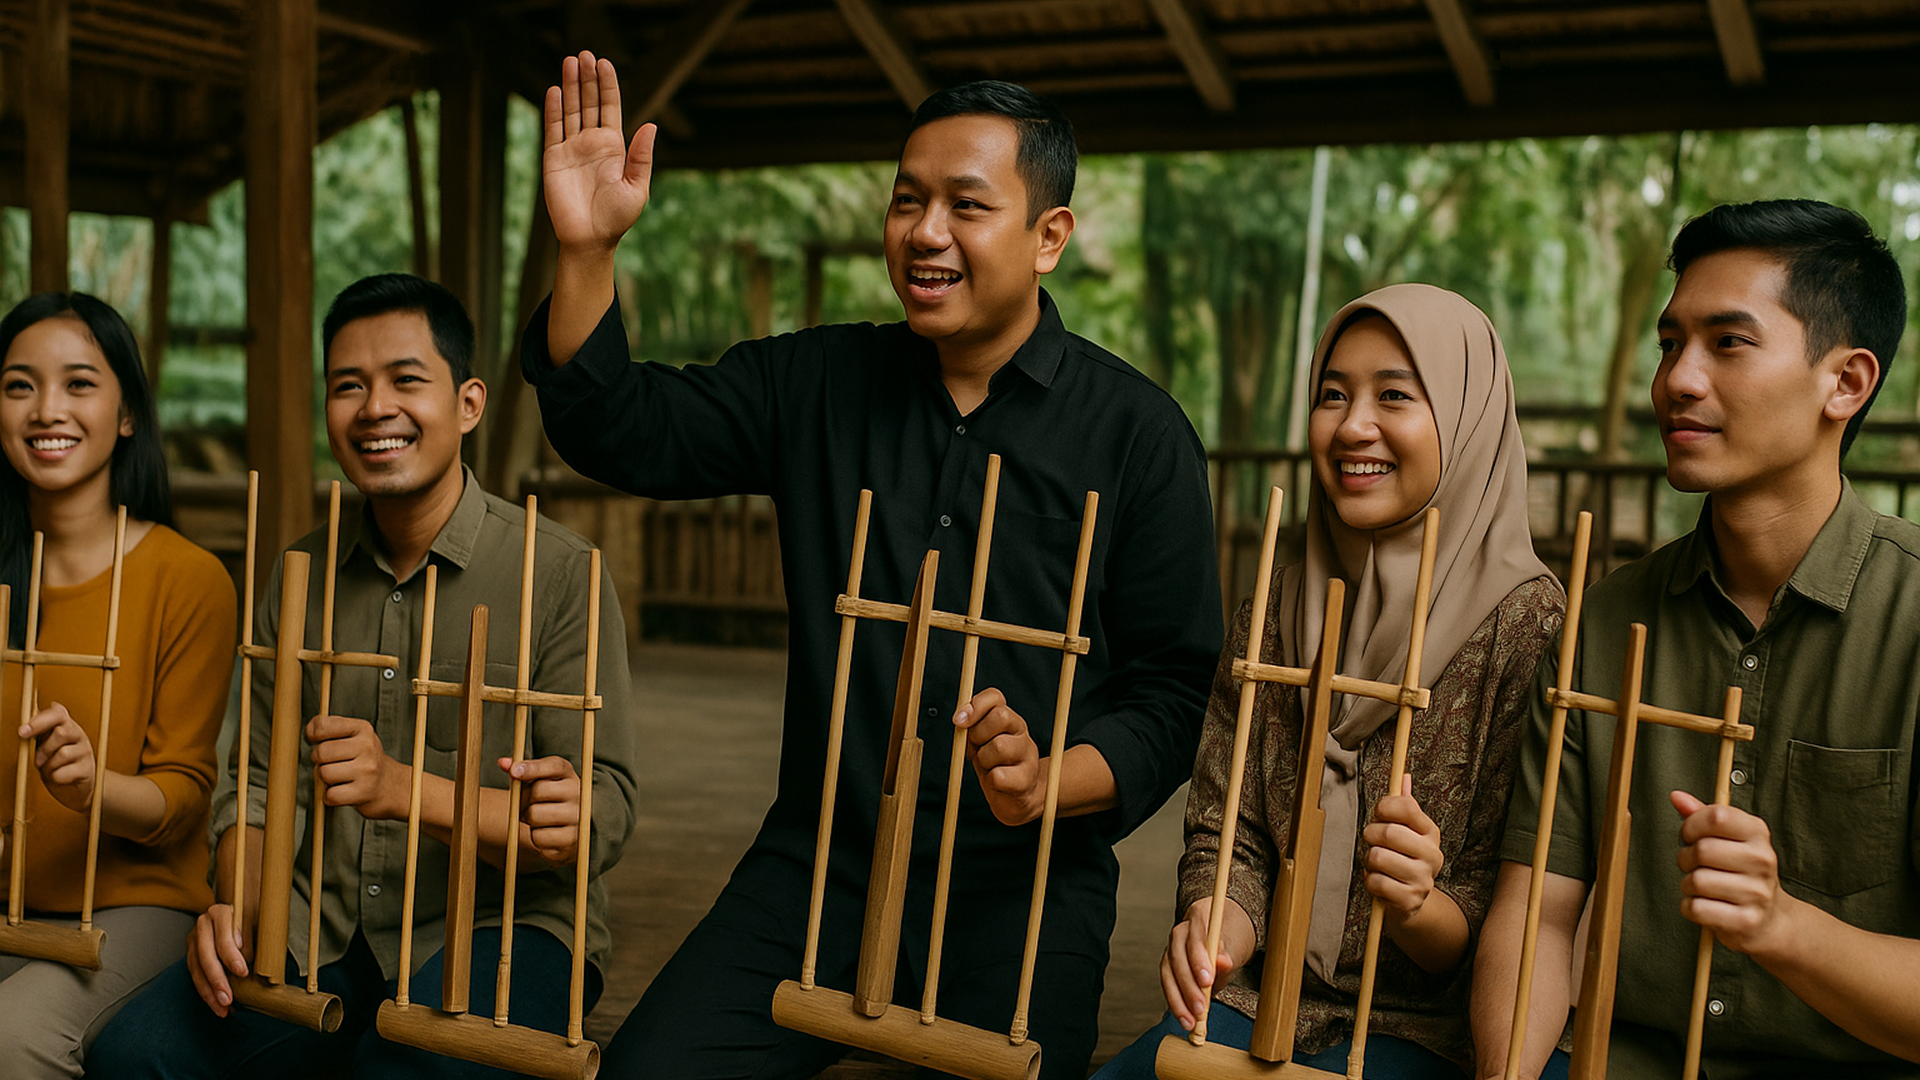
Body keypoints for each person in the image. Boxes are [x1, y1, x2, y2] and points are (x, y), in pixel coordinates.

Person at [524, 52, 1221, 1079]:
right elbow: (620, 429)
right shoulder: (819, 380)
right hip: (823, 861)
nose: (925, 232)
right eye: (908, 200)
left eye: (966, 205)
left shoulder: (1139, 434)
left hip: (1021, 888)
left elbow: (1171, 693)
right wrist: (586, 251)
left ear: (1049, 238)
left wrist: (1043, 785)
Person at [87, 273, 639, 1079]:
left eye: (406, 380)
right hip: (321, 924)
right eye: (349, 386)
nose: (375, 407)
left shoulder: (560, 574)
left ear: (469, 403)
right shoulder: (299, 571)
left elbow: (608, 811)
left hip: (502, 927)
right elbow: (250, 783)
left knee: (399, 1069)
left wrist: (405, 788)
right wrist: (237, 906)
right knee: (135, 1056)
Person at [1471, 199, 1920, 1080]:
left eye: (1729, 342)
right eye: (1671, 343)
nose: (1677, 379)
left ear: (1848, 383)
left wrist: (1783, 926)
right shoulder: (1607, 618)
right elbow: (1537, 916)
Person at [1095, 285, 1563, 1079]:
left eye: (1395, 397)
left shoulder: (1531, 628)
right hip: (1259, 1003)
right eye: (1333, 395)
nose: (1352, 427)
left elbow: (1525, 917)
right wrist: (1221, 927)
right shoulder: (1273, 608)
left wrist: (1419, 904)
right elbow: (1228, 823)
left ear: (1467, 418)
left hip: (1433, 1032)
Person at [0, 292, 237, 1078]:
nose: (46, 409)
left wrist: (89, 784)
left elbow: (184, 801)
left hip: (138, 905)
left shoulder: (188, 579)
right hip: (9, 904)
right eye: (19, 385)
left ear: (128, 412)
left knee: (16, 1031)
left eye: (78, 383)